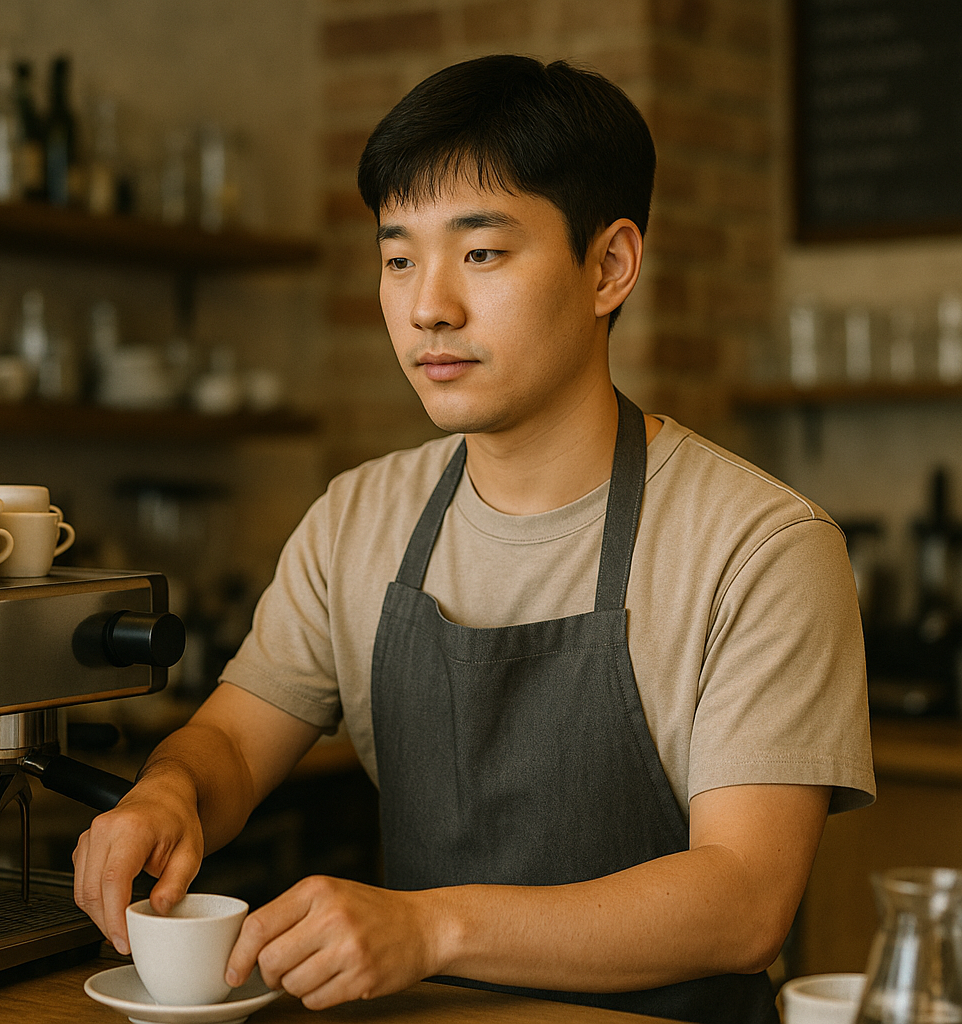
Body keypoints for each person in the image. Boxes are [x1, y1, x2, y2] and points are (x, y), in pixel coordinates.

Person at [73, 54, 875, 1023]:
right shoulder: (356, 519)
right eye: (398, 258)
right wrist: (168, 792)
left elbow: (743, 901)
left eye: (482, 253)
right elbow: (232, 748)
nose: (428, 307)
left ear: (609, 267)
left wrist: (431, 928)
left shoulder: (764, 546)